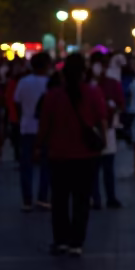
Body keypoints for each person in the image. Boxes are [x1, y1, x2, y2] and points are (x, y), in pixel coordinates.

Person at [37, 53, 105, 256]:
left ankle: (61, 240)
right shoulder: (93, 93)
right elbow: (101, 121)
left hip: (59, 155)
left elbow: (44, 127)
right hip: (86, 156)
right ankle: (77, 242)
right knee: (81, 201)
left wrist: (38, 147)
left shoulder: (52, 96)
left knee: (59, 201)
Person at [14, 52, 52, 210]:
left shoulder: (23, 82)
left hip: (27, 127)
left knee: (26, 166)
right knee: (46, 165)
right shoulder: (51, 84)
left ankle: (27, 200)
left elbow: (17, 102)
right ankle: (42, 198)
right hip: (47, 129)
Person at [90, 52, 124, 210]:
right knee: (94, 169)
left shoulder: (113, 83)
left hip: (108, 129)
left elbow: (121, 104)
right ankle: (95, 198)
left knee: (108, 168)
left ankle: (110, 197)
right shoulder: (85, 85)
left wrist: (112, 108)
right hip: (91, 131)